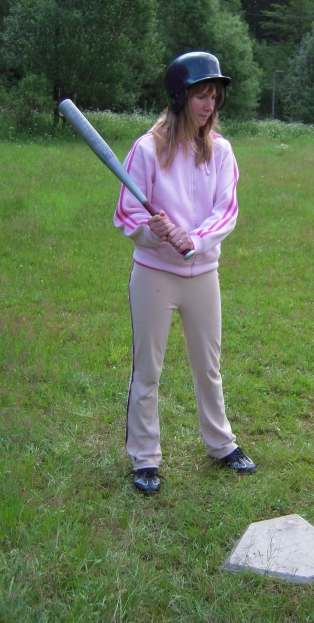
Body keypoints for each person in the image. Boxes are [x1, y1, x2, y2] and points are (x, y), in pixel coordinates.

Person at [114, 51, 256, 494]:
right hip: (154, 274)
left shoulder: (221, 151)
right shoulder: (147, 149)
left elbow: (226, 211)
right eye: (200, 96)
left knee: (209, 367)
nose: (209, 105)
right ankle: (144, 458)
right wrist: (152, 232)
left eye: (214, 97)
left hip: (203, 275)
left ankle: (221, 444)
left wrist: (191, 240)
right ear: (180, 97)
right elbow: (126, 213)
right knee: (148, 370)